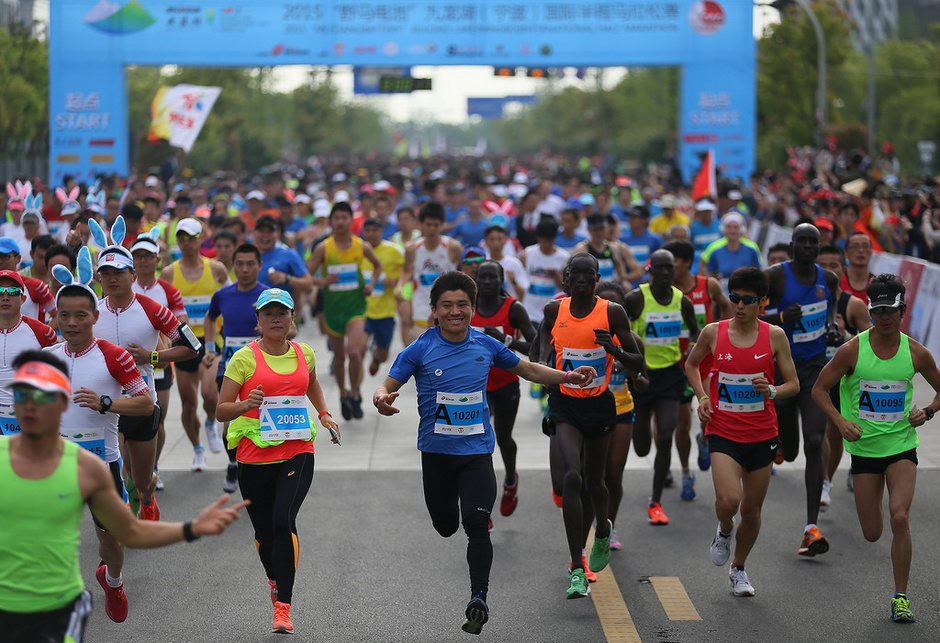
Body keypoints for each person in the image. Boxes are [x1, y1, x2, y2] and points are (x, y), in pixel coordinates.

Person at [374, 270, 597, 630]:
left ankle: (479, 597)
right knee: (446, 527)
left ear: (473, 309)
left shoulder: (486, 345)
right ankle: (465, 561)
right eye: (447, 305)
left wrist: (568, 377)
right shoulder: (420, 348)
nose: (455, 311)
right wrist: (382, 399)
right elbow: (386, 384)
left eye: (462, 304)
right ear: (434, 310)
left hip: (477, 453)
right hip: (436, 455)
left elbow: (528, 369)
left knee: (477, 523)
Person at [0, 350, 248, 643]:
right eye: (22, 396)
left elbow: (131, 531)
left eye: (42, 397)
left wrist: (191, 528)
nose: (30, 406)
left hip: (57, 612)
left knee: (111, 540)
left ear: (62, 404)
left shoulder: (86, 468)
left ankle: (113, 580)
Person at [811, 274, 940, 623]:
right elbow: (819, 390)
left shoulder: (916, 352)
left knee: (900, 517)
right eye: (877, 310)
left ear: (903, 310)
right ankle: (876, 508)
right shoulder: (853, 349)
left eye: (890, 310)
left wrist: (927, 411)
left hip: (901, 446)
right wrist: (840, 422)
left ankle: (900, 597)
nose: (883, 317)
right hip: (865, 450)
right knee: (872, 533)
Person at [217, 288, 340, 635]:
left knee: (283, 519)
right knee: (264, 531)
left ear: (292, 319)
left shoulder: (304, 353)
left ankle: (283, 607)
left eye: (282, 313)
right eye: (268, 313)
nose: (276, 319)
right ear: (257, 320)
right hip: (254, 454)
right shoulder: (243, 358)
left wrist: (325, 413)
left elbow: (312, 384)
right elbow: (220, 409)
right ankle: (274, 578)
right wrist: (246, 404)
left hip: (297, 448)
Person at [46, 262, 156, 624]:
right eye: (65, 316)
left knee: (110, 541)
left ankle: (113, 580)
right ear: (57, 318)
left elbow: (146, 402)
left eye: (80, 315)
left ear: (95, 316)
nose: (72, 322)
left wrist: (106, 403)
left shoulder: (114, 355)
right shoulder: (47, 359)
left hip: (101, 462)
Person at [686, 267, 799, 597]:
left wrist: (773, 391)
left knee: (751, 511)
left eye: (747, 300)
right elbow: (692, 365)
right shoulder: (713, 332)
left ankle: (739, 567)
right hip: (723, 430)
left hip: (762, 433)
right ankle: (723, 529)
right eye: (734, 298)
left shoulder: (774, 335)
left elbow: (794, 384)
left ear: (762, 302)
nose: (739, 306)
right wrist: (703, 397)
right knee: (729, 500)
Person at [539, 253, 644, 598]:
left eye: (588, 274)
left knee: (596, 483)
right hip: (565, 404)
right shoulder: (555, 310)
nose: (581, 279)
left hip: (600, 404)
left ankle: (602, 529)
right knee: (573, 477)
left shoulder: (611, 312)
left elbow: (637, 360)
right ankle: (577, 566)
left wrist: (612, 348)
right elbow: (540, 343)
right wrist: (545, 369)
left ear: (597, 279)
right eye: (575, 274)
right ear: (565, 279)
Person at [763, 222, 840, 556]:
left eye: (814, 243)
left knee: (813, 441)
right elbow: (752, 313)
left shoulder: (830, 280)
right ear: (792, 245)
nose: (808, 247)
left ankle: (810, 527)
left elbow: (830, 311)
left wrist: (832, 329)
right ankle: (781, 446)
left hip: (813, 372)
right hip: (781, 371)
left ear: (819, 247)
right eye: (802, 242)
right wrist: (780, 316)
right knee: (791, 451)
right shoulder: (776, 277)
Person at [623, 249, 699, 525]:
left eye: (670, 267)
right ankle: (644, 441)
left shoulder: (682, 301)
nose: (666, 272)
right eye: (660, 268)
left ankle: (655, 501)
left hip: (670, 376)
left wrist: (692, 346)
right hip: (641, 377)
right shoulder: (636, 298)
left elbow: (695, 330)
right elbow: (620, 330)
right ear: (650, 270)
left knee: (666, 434)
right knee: (642, 447)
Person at [663, 238, 732, 499]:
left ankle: (704, 439)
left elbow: (725, 305)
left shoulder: (708, 285)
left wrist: (723, 333)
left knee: (710, 414)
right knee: (682, 422)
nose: (668, 268)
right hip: (678, 364)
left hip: (708, 362)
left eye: (673, 262)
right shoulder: (664, 289)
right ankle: (684, 473)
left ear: (687, 263)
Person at [161, 217, 229, 470]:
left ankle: (211, 421)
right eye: (182, 238)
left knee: (210, 396)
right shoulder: (169, 273)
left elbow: (229, 300)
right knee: (189, 405)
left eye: (191, 238)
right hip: (182, 344)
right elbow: (163, 310)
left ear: (201, 239)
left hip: (211, 340)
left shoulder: (217, 269)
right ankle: (197, 449)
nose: (186, 243)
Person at [471, 260, 536, 519]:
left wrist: (506, 340)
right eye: (483, 277)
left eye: (492, 277)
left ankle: (510, 478)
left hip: (506, 383)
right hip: (475, 387)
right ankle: (481, 507)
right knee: (478, 443)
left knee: (503, 438)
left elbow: (535, 347)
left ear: (502, 281)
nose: (487, 281)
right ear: (476, 279)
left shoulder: (513, 309)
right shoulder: (467, 306)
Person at [307, 202, 382, 420]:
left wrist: (371, 284)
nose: (340, 222)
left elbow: (377, 266)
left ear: (351, 220)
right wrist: (322, 281)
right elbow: (306, 274)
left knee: (354, 353)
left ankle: (356, 392)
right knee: (339, 357)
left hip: (356, 307)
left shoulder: (361, 246)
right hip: (333, 310)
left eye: (344, 218)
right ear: (331, 222)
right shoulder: (324, 248)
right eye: (336, 218)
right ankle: (343, 394)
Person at [816, 244, 872, 506]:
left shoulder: (854, 305)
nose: (828, 271)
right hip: (808, 375)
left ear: (843, 270)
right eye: (822, 266)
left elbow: (873, 343)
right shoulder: (804, 302)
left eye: (834, 266)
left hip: (841, 382)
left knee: (833, 433)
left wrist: (846, 337)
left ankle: (826, 482)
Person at [131, 233, 188, 490]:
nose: (143, 261)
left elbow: (181, 328)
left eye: (147, 256)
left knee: (159, 417)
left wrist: (160, 349)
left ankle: (153, 466)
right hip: (129, 365)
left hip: (159, 362)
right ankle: (132, 472)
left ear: (157, 259)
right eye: (138, 256)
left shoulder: (169, 291)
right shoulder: (123, 286)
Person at [594, 281, 648, 551]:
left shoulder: (631, 340)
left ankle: (607, 527)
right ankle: (585, 524)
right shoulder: (585, 335)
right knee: (591, 477)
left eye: (615, 306)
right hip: (589, 412)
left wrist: (633, 374)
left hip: (622, 410)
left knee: (613, 476)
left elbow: (643, 381)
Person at [0, 270, 58, 437]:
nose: (5, 296)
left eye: (12, 292)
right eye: (0, 291)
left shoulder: (42, 332)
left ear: (23, 299)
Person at [397, 203, 463, 343]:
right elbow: (407, 270)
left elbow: (463, 273)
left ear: (442, 225)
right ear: (420, 224)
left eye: (436, 225)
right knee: (421, 351)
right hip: (421, 306)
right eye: (428, 224)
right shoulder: (412, 249)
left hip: (447, 309)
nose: (432, 229)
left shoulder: (453, 247)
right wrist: (400, 286)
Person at [361, 217, 404, 377]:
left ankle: (376, 354)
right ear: (363, 232)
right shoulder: (358, 249)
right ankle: (355, 389)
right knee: (357, 350)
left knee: (384, 356)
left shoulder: (394, 251)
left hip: (385, 311)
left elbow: (407, 270)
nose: (371, 234)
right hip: (363, 310)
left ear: (382, 231)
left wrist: (395, 282)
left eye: (375, 230)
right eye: (368, 230)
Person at [519, 219, 569, 328]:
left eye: (550, 240)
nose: (546, 244)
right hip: (530, 309)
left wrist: (555, 275)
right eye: (544, 240)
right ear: (538, 238)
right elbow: (520, 280)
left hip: (552, 308)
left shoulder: (563, 257)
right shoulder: (527, 254)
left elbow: (565, 287)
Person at [700, 213, 763, 284]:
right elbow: (705, 267)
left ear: (741, 229)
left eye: (736, 227)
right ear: (723, 229)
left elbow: (759, 270)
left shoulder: (752, 249)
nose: (732, 231)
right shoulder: (715, 249)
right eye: (728, 227)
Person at [841, 232, 875, 304]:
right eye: (855, 247)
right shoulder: (838, 283)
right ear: (846, 253)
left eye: (865, 246)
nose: (861, 250)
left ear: (871, 252)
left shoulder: (878, 285)